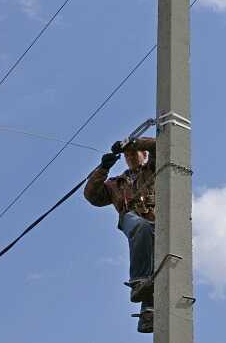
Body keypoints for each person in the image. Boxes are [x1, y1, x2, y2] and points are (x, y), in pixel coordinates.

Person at [83, 137, 156, 333]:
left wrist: (133, 142)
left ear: (144, 154)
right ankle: (138, 280)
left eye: (135, 153)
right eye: (128, 155)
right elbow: (92, 196)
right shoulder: (116, 184)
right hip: (132, 218)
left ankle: (149, 313)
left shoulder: (154, 169)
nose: (131, 157)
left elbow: (158, 144)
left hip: (159, 223)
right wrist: (103, 168)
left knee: (158, 262)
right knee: (141, 227)